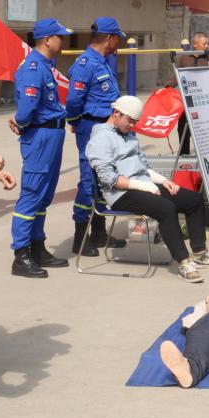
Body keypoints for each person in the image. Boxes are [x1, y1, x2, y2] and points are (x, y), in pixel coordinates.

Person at [87, 96, 209, 282]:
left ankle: (200, 252)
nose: (132, 125)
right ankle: (184, 262)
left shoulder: (128, 135)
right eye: (130, 121)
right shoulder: (101, 138)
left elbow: (143, 168)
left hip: (143, 185)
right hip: (121, 193)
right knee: (166, 208)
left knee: (193, 200)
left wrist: (163, 181)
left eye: (135, 122)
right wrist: (144, 186)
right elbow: (108, 178)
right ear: (116, 113)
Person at [10, 18, 74, 278]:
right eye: (60, 36)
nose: (63, 40)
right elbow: (27, 108)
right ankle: (21, 254)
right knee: (32, 193)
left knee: (44, 196)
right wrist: (21, 123)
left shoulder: (46, 65)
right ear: (47, 40)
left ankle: (37, 247)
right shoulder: (33, 67)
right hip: (40, 135)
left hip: (52, 133)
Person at [65, 17, 130, 256]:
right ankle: (80, 238)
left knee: (104, 179)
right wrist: (75, 121)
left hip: (107, 129)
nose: (118, 43)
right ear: (108, 38)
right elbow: (73, 100)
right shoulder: (86, 63)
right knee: (88, 180)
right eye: (117, 39)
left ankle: (99, 233)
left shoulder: (102, 62)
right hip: (91, 128)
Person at [175, 32, 209, 155]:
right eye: (204, 44)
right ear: (195, 45)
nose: (207, 46)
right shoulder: (184, 58)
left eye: (208, 43)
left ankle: (207, 156)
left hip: (205, 102)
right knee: (183, 129)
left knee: (205, 130)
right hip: (187, 101)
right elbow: (176, 76)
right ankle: (184, 156)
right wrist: (167, 88)